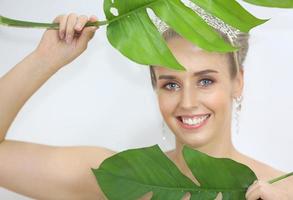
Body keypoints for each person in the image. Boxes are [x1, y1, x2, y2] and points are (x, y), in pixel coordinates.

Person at [0, 13, 292, 200]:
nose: (187, 102)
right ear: (155, 88)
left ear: (237, 81)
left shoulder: (284, 191)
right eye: (171, 84)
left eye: (205, 81)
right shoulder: (117, 179)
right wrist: (45, 59)